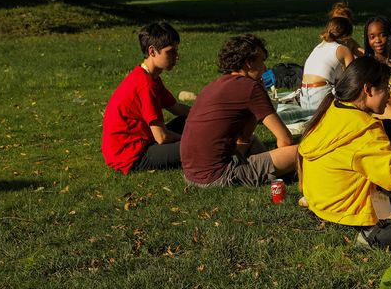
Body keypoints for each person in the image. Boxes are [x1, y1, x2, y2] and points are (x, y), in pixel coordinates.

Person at [298, 57, 391, 227]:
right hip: (351, 212)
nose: (390, 94)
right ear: (367, 89)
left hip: (322, 203)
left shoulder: (334, 108)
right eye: (386, 88)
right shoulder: (364, 133)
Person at [180, 35, 298, 187]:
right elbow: (285, 140)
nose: (264, 67)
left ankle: (277, 172)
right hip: (220, 176)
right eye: (261, 61)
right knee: (303, 151)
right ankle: (292, 174)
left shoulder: (214, 85)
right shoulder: (250, 87)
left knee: (253, 142)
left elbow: (243, 139)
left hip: (192, 176)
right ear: (249, 63)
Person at [101, 21, 191, 174]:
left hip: (143, 142)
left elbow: (176, 108)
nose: (177, 56)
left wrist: (208, 115)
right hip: (131, 155)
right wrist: (190, 139)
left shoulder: (150, 77)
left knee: (191, 121)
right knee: (199, 146)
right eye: (171, 52)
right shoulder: (145, 84)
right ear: (152, 51)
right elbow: (161, 137)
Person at [301, 17, 356, 111]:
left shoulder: (319, 47)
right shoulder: (343, 49)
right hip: (321, 94)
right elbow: (352, 78)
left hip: (304, 96)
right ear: (347, 37)